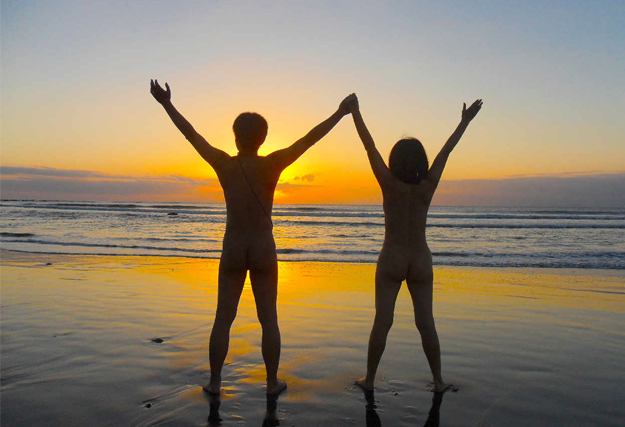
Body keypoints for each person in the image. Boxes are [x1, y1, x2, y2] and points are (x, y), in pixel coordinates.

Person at [150, 79, 355, 395]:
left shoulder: (223, 163)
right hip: (262, 249)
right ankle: (272, 383)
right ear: (263, 138)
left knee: (223, 319)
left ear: (235, 137)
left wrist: (166, 104)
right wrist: (340, 112)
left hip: (233, 247)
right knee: (268, 320)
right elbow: (309, 139)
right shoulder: (272, 164)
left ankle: (215, 383)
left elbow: (191, 135)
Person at [350, 95, 483, 393]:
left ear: (395, 160)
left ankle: (369, 379)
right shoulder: (428, 186)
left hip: (392, 259)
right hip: (421, 260)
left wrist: (356, 113)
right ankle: (438, 381)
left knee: (382, 321)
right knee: (426, 323)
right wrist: (464, 122)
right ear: (421, 162)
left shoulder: (388, 183)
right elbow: (446, 151)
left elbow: (369, 146)